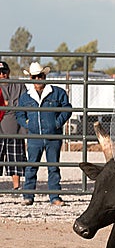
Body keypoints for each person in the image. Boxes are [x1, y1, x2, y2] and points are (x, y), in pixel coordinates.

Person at [16, 62, 72, 206]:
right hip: (35, 136)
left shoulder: (57, 93)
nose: (37, 79)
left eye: (40, 76)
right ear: (31, 78)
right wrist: (28, 124)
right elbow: (19, 114)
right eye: (34, 77)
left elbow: (67, 109)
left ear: (44, 76)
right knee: (31, 166)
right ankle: (28, 196)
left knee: (53, 167)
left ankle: (55, 197)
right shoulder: (25, 97)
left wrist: (57, 123)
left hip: (53, 136)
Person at [0, 61, 27, 191]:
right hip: (2, 127)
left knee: (15, 158)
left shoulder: (18, 85)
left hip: (15, 129)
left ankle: (16, 186)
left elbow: (23, 105)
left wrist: (7, 105)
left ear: (8, 72)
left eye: (4, 71)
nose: (1, 74)